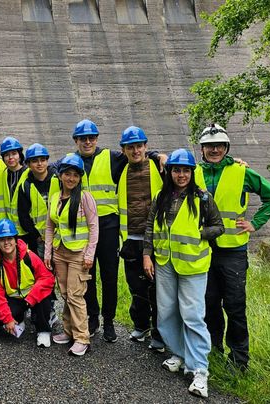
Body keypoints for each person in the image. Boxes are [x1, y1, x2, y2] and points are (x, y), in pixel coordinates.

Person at [52, 119, 166, 343]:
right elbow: (46, 168)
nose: (87, 142)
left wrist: (157, 155)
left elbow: (137, 152)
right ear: (75, 141)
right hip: (83, 230)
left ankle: (109, 322)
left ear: (96, 139)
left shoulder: (112, 158)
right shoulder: (69, 162)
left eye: (91, 138)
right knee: (87, 275)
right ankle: (92, 320)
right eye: (82, 138)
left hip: (108, 226)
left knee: (110, 276)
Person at [196, 124, 270, 370]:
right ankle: (213, 350)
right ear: (202, 148)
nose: (214, 149)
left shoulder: (241, 172)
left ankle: (239, 360)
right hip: (203, 249)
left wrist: (255, 223)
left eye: (219, 145)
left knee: (234, 305)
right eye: (210, 146)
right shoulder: (194, 172)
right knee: (209, 303)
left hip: (232, 250)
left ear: (226, 148)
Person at [143, 149, 224, 398]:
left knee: (192, 316)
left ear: (192, 172)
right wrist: (147, 254)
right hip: (166, 262)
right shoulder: (162, 196)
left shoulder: (203, 198)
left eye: (185, 170)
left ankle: (200, 369)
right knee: (167, 312)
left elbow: (218, 227)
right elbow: (150, 226)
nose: (181, 174)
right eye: (176, 170)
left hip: (193, 266)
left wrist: (200, 233)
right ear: (170, 172)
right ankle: (178, 353)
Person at [44, 154, 98, 356]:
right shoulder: (55, 198)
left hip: (78, 254)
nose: (71, 178)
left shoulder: (85, 198)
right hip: (60, 252)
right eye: (67, 174)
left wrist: (89, 254)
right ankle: (69, 331)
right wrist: (48, 252)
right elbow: (50, 227)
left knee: (76, 295)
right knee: (66, 294)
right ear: (60, 175)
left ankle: (82, 338)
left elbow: (94, 228)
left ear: (80, 178)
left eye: (75, 175)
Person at [117, 126, 165, 351]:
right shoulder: (119, 169)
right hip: (131, 239)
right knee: (136, 286)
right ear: (124, 150)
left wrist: (158, 155)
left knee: (157, 289)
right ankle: (141, 325)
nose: (135, 150)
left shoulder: (159, 166)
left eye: (139, 146)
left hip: (156, 240)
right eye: (130, 147)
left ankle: (159, 334)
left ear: (146, 146)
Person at [0, 219, 56, 348]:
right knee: (0, 317)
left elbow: (47, 278)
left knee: (44, 297)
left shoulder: (29, 256)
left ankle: (43, 329)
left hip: (33, 297)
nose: (6, 243)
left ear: (15, 240)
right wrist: (7, 319)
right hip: (15, 298)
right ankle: (19, 319)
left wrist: (31, 298)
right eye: (2, 240)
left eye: (9, 238)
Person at [17, 143, 60, 257]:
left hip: (60, 236)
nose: (40, 164)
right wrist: (36, 236)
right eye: (35, 161)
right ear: (28, 164)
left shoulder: (59, 180)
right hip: (39, 240)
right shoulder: (25, 186)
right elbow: (23, 216)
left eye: (43, 160)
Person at [0, 137, 29, 236]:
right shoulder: (4, 174)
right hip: (11, 229)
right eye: (7, 155)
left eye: (14, 154)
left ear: (20, 156)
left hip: (27, 228)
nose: (10, 157)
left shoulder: (29, 173)